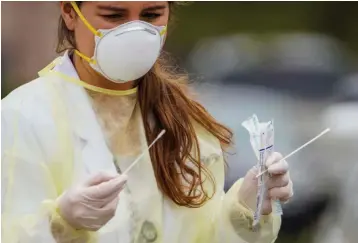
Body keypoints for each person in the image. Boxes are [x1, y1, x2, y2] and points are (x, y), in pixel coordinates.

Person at [1, 2, 293, 243]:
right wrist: (60, 225)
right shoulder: (23, 117)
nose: (134, 31)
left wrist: (246, 210)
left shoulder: (185, 121)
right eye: (114, 15)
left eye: (151, 15)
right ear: (69, 12)